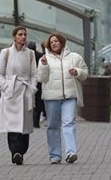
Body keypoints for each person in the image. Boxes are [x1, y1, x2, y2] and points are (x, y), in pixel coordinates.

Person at [37, 33, 88, 164]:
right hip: (51, 98)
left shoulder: (75, 57)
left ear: (62, 42)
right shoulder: (45, 59)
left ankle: (71, 153)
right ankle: (55, 155)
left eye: (56, 41)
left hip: (70, 96)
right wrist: (43, 66)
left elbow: (85, 74)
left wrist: (77, 71)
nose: (53, 43)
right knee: (53, 126)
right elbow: (41, 78)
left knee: (69, 123)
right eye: (51, 42)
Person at [0, 26, 38, 165]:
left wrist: (32, 89)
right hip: (11, 92)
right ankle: (15, 151)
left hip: (25, 91)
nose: (23, 37)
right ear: (14, 37)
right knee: (12, 123)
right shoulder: (6, 52)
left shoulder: (30, 54)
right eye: (20, 34)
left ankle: (22, 151)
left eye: (25, 34)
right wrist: (5, 87)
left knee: (24, 124)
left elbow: (34, 74)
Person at [27, 41, 45, 129]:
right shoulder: (40, 56)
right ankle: (36, 122)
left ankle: (28, 121)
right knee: (38, 103)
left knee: (27, 101)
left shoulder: (26, 56)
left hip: (28, 81)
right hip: (39, 82)